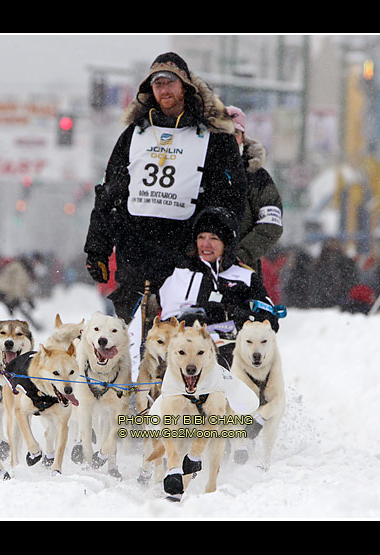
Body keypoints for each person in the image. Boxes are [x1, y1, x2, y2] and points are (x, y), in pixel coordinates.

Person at [84, 52, 248, 324]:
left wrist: (218, 244)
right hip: (136, 251)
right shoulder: (133, 135)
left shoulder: (216, 138)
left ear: (186, 87)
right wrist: (97, 248)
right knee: (134, 339)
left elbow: (231, 197)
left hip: (187, 252)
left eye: (170, 83)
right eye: (157, 84)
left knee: (182, 341)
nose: (164, 90)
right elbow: (109, 194)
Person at [158, 207, 279, 368]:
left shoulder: (245, 276)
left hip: (232, 354)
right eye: (201, 237)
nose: (206, 244)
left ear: (226, 243)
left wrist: (233, 313)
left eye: (214, 238)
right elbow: (167, 323)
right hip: (186, 353)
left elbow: (270, 322)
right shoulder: (182, 273)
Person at [225, 106, 284, 276]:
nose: (228, 139)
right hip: (197, 269)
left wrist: (239, 256)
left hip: (242, 271)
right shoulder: (199, 171)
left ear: (243, 138)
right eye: (223, 133)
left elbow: (271, 225)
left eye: (234, 133)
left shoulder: (257, 177)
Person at [308, 238, 358, 309]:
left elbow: (351, 280)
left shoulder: (345, 263)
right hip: (326, 301)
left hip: (338, 300)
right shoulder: (320, 264)